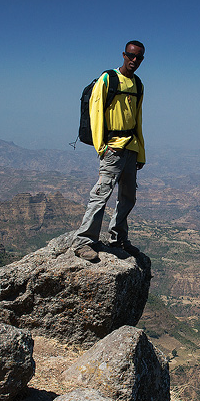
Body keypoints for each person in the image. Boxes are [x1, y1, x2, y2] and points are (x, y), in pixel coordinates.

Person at [72, 40, 146, 261]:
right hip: (112, 148)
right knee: (101, 194)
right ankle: (84, 241)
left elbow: (138, 120)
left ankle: (119, 238)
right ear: (123, 55)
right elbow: (95, 112)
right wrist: (101, 147)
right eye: (131, 56)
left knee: (128, 197)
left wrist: (141, 151)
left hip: (131, 148)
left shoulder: (138, 84)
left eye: (139, 57)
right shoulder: (108, 79)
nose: (134, 60)